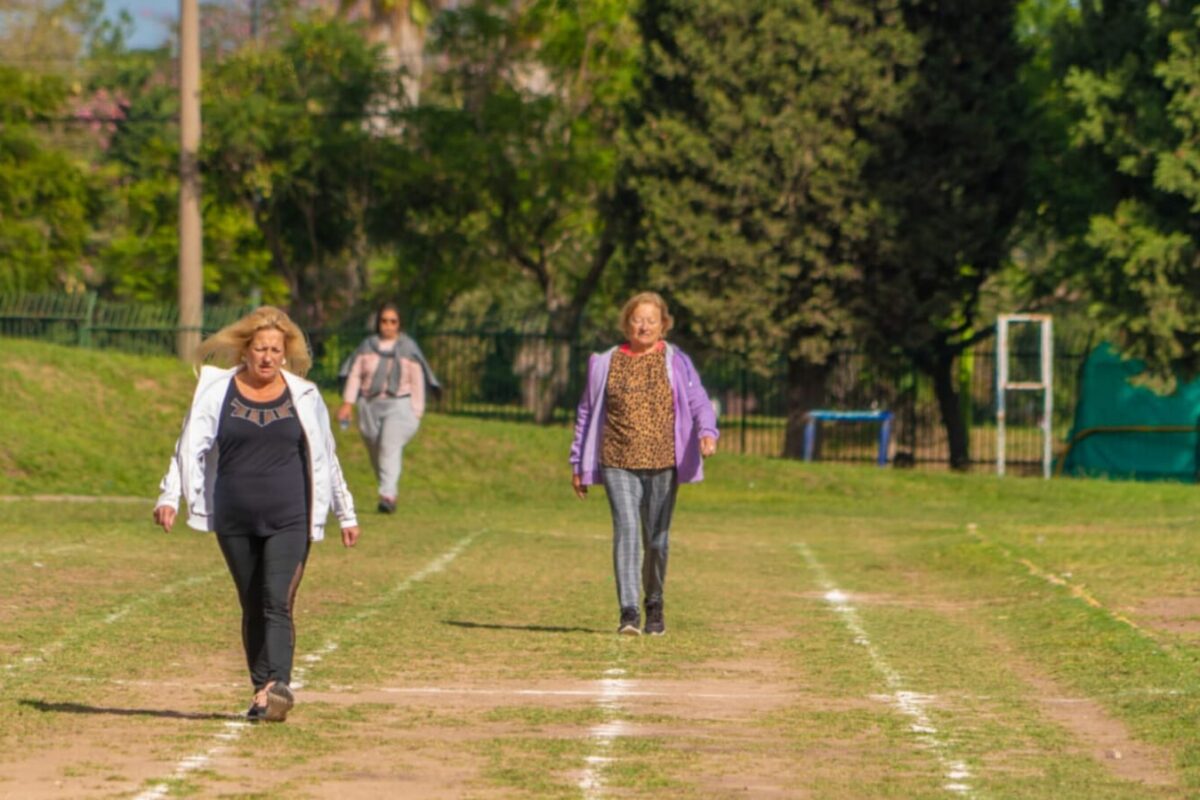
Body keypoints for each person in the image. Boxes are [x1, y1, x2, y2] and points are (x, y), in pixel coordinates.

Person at [153, 306, 359, 723]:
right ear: (245, 351)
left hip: (291, 515)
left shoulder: (304, 395)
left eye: (276, 350)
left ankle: (275, 687)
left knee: (275, 600)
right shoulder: (216, 391)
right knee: (251, 603)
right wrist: (170, 495)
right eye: (260, 348)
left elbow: (326, 456)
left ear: (287, 353)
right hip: (235, 517)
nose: (268, 357)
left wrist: (346, 511)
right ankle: (260, 686)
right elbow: (189, 445)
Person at [569, 292, 719, 636]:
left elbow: (698, 401)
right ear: (627, 324)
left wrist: (707, 431)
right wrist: (578, 462)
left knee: (657, 539)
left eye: (652, 320)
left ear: (663, 326)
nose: (644, 325)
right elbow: (586, 412)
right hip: (617, 459)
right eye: (638, 319)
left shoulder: (676, 360)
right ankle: (629, 611)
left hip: (663, 460)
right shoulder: (605, 362)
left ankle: (654, 602)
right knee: (626, 530)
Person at [337, 302, 438, 514]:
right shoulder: (367, 346)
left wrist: (417, 411)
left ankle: (388, 496)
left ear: (399, 324)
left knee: (388, 446)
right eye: (384, 321)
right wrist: (348, 403)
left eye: (393, 321)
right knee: (374, 447)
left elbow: (417, 381)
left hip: (399, 405)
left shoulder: (408, 348)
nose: (388, 325)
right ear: (378, 323)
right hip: (369, 404)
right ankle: (387, 488)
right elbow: (355, 375)